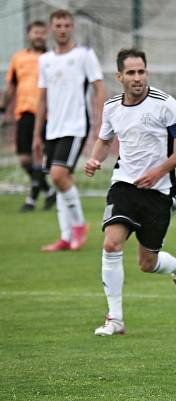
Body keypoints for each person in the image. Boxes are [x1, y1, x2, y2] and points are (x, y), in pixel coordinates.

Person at [85, 48, 176, 336]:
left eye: (142, 71)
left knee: (147, 263)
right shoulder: (112, 107)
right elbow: (104, 139)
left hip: (159, 191)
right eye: (131, 73)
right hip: (124, 185)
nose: (138, 78)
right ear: (119, 76)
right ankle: (115, 319)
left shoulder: (165, 104)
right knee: (111, 244)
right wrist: (95, 159)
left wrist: (158, 172)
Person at [33, 9, 106, 251]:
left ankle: (79, 226)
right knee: (60, 180)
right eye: (58, 25)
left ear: (72, 27)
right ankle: (65, 237)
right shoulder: (45, 60)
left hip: (75, 125)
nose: (62, 29)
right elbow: (42, 99)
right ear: (51, 29)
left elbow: (99, 87)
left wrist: (103, 119)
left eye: (66, 25)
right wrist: (37, 133)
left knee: (57, 175)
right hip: (52, 129)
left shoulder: (84, 55)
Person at [0, 20, 56, 212]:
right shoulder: (18, 58)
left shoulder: (52, 57)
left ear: (46, 35)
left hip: (48, 114)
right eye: (35, 32)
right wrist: (2, 108)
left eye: (42, 32)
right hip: (24, 112)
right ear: (29, 35)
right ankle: (48, 192)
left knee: (39, 157)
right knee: (24, 159)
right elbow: (11, 87)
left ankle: (32, 199)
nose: (38, 36)